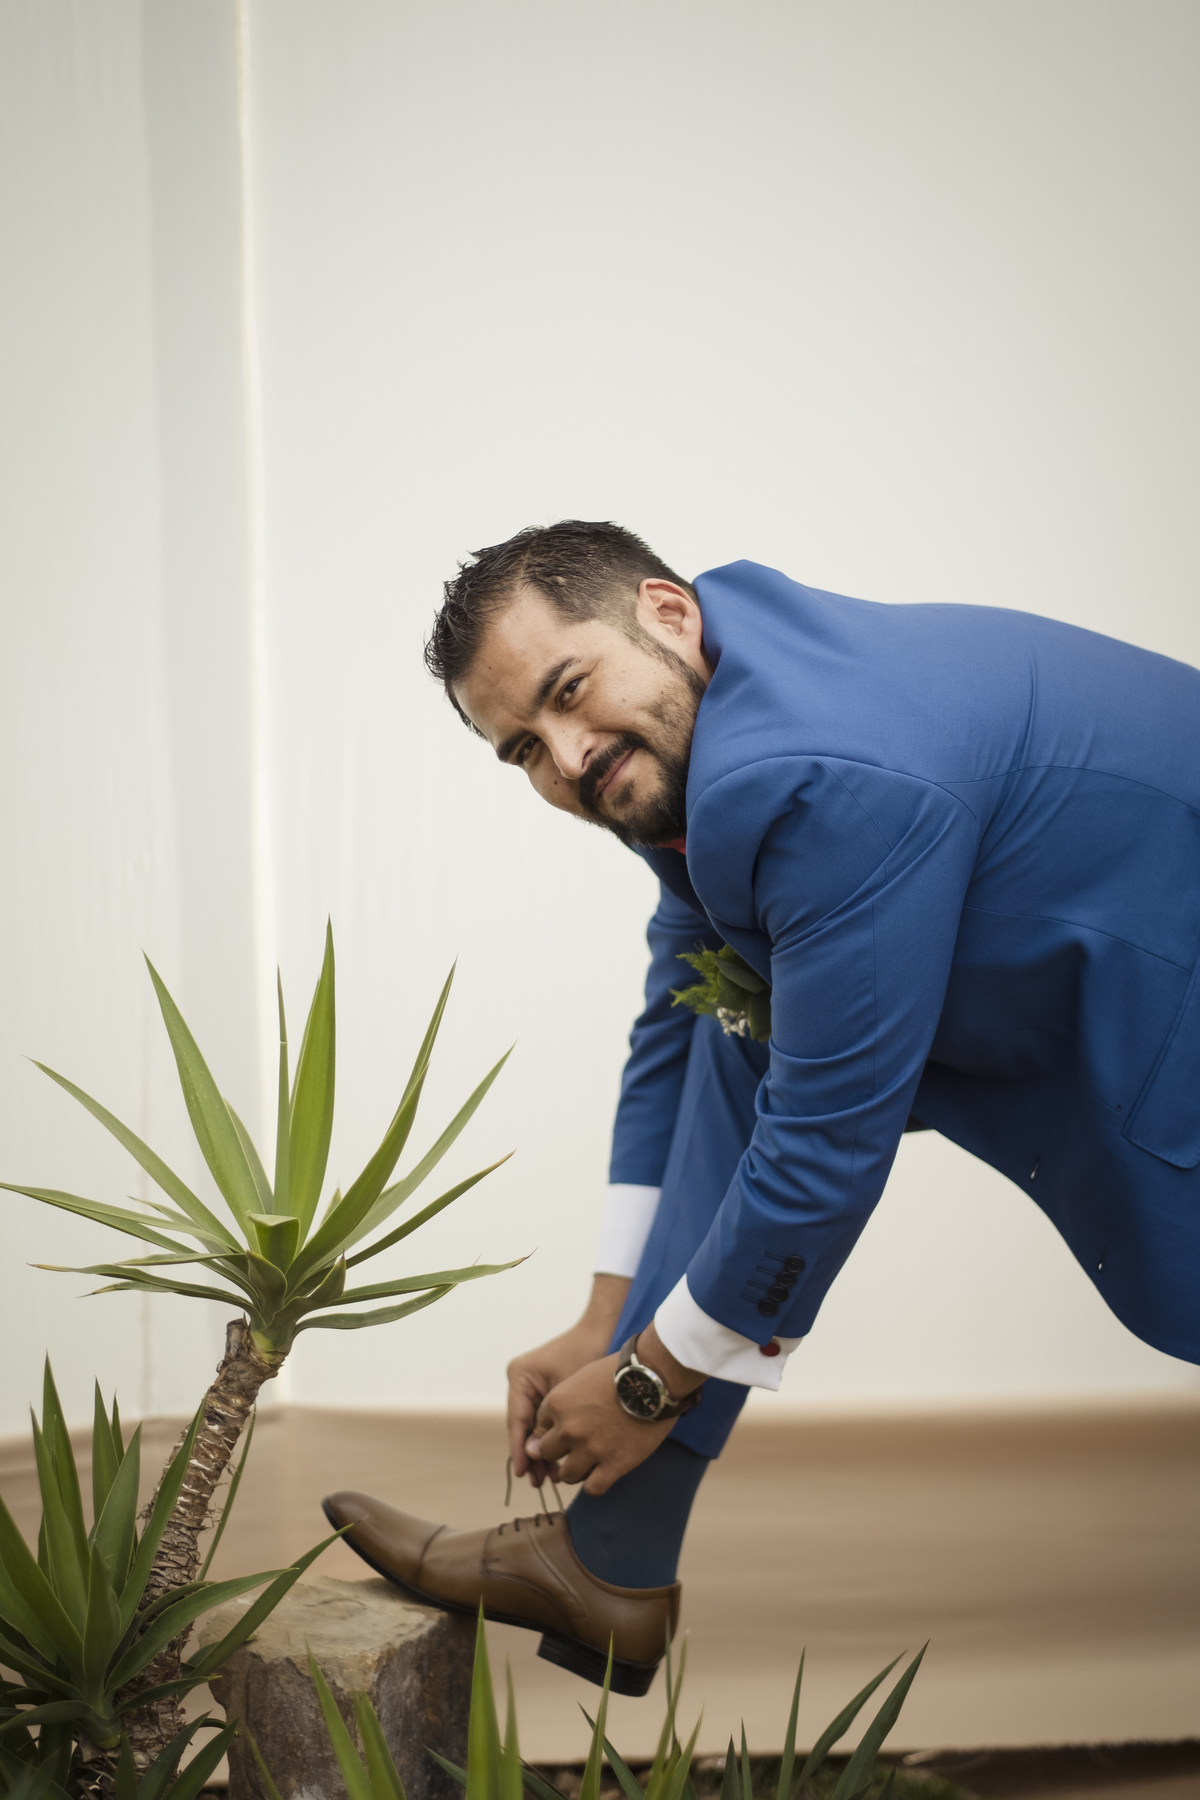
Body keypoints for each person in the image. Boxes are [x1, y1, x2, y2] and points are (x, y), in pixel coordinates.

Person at [325, 520, 1200, 1694]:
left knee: (771, 1063)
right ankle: (613, 1553)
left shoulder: (808, 776)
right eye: (521, 747)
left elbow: (826, 1150)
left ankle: (613, 1552)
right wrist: (606, 1316)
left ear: (668, 613)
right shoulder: (700, 720)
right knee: (734, 1027)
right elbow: (681, 1019)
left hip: (1167, 997)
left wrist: (650, 1380)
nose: (568, 757)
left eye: (568, 691)